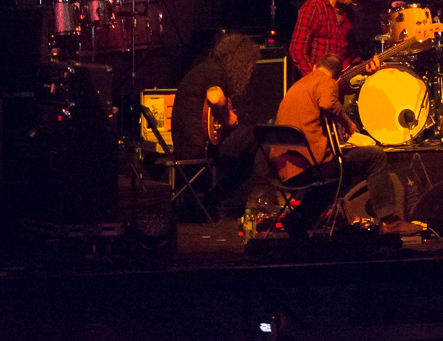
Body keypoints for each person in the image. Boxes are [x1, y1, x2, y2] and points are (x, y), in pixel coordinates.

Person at [272, 53, 416, 235]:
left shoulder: (298, 86)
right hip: (311, 166)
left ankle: (298, 220)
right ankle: (390, 221)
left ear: (315, 66)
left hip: (285, 169)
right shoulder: (327, 81)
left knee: (341, 177)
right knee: (375, 156)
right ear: (339, 77)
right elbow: (328, 104)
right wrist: (348, 124)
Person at [170, 31, 262, 202]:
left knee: (244, 151)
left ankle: (217, 200)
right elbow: (214, 96)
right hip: (198, 148)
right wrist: (227, 118)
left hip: (185, 145)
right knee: (256, 137)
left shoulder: (204, 68)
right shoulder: (215, 71)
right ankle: (235, 199)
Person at [289, 0, 373, 80]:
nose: (355, 4)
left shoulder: (348, 13)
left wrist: (363, 66)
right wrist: (316, 78)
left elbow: (349, 52)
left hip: (338, 83)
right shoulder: (313, 7)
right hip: (316, 86)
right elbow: (297, 51)